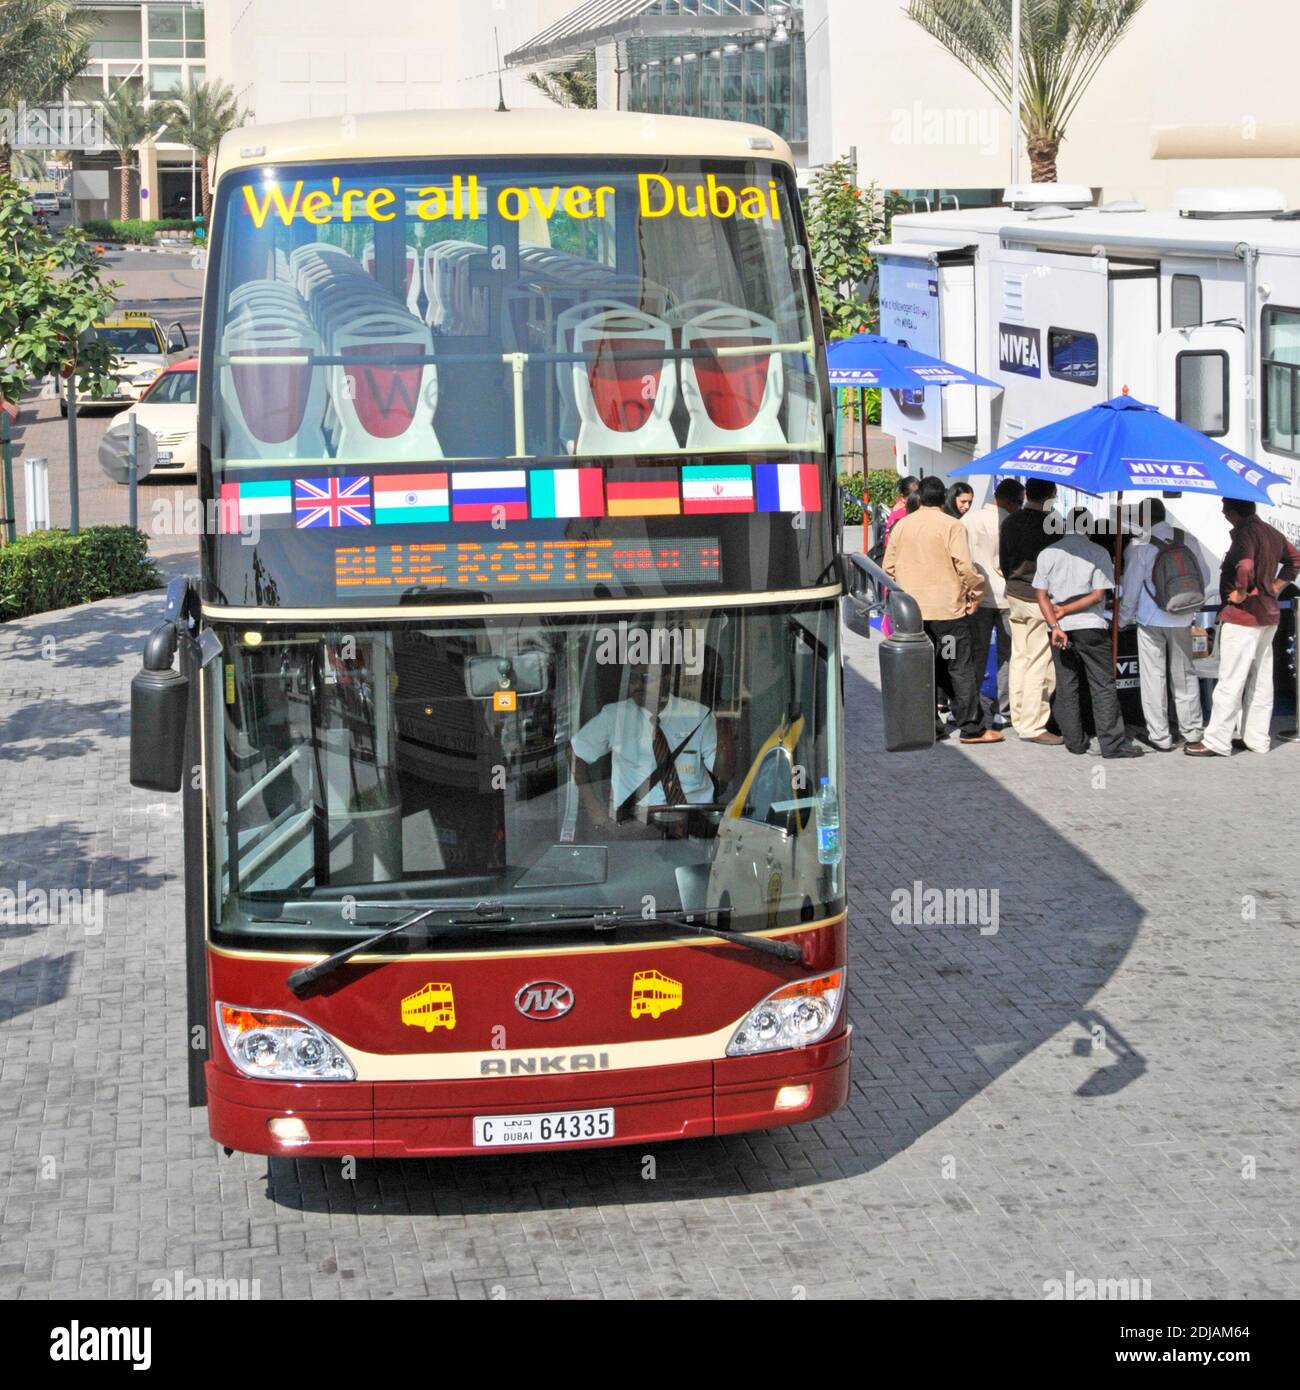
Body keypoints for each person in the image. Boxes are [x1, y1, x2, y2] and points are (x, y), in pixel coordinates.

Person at [884, 474, 1002, 745]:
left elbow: (888, 568)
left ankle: (930, 726)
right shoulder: (951, 526)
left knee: (925, 668)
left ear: (920, 498)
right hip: (948, 612)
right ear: (943, 497)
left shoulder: (902, 525)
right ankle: (971, 728)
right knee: (959, 667)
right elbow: (964, 566)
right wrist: (975, 592)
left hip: (913, 614)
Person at [1185, 499, 1300, 757]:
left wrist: (1239, 591)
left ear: (1234, 513)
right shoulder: (1271, 532)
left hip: (1243, 615)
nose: (1223, 513)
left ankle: (1216, 741)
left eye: (1226, 509)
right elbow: (1295, 559)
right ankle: (1256, 738)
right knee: (1261, 679)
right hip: (1268, 614)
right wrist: (1276, 586)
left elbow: (1245, 565)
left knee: (1231, 679)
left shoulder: (1245, 534)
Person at [1034, 508, 1144, 759]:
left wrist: (1055, 624)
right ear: (1088, 527)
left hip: (1060, 630)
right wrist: (1066, 609)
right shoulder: (1099, 552)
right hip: (1091, 626)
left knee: (1067, 684)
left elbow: (1040, 595)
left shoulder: (1048, 553)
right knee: (1103, 684)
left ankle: (1074, 741)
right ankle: (1111, 744)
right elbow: (1098, 595)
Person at [571, 663, 718, 831]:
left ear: (667, 679)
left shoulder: (698, 716)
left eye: (647, 678)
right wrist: (594, 809)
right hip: (636, 824)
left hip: (694, 820)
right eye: (633, 679)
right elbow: (576, 753)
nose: (638, 685)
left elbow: (724, 773)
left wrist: (725, 726)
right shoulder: (615, 716)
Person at [1117, 499, 1206, 751]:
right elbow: (1204, 578)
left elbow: (1131, 589)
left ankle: (1160, 736)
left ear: (1144, 519)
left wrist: (1123, 619)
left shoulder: (1138, 546)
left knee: (1153, 677)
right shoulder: (1188, 539)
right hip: (1183, 617)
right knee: (1185, 675)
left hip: (1151, 621)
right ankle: (1192, 732)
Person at [1000, 478, 1063, 745]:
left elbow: (1003, 560)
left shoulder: (1010, 521)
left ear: (1027, 493)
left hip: (1014, 592)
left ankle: (1018, 717)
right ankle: (1033, 725)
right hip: (1040, 598)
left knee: (1020, 658)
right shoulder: (1053, 524)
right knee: (1039, 662)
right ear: (1051, 495)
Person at [965, 477, 1024, 729]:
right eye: (1019, 502)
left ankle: (972, 707)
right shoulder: (1012, 522)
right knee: (1008, 655)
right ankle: (1004, 710)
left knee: (975, 655)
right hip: (1006, 596)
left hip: (976, 596)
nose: (1021, 507)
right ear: (1009, 501)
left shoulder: (968, 519)